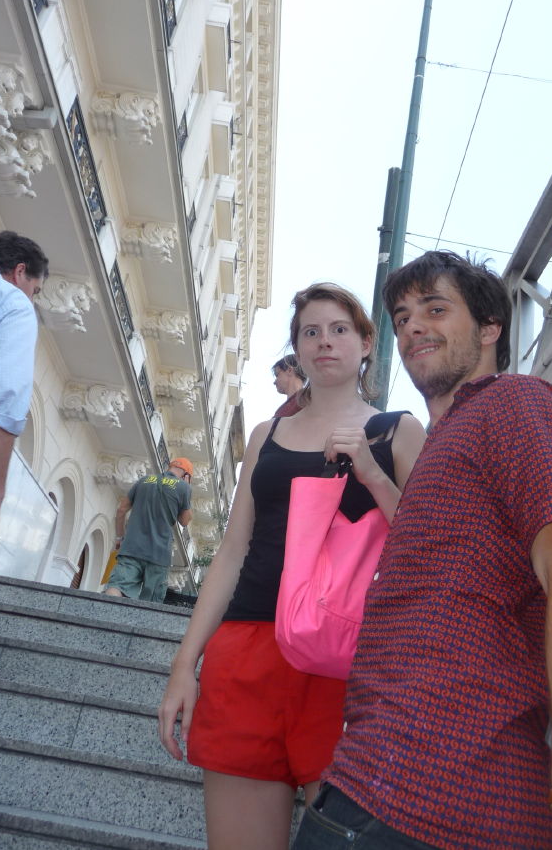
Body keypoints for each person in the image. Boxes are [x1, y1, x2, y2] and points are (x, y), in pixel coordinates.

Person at [294, 251, 552, 850]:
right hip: (371, 785)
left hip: (438, 803)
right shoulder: (444, 446)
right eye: (402, 317)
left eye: (435, 309)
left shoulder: (515, 402)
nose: (412, 327)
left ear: (489, 328)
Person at [158, 282, 426, 850]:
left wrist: (373, 475)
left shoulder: (399, 430)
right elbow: (233, 551)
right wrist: (185, 664)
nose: (324, 341)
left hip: (348, 661)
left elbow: (432, 547)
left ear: (366, 344)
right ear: (297, 348)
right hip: (246, 650)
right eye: (311, 332)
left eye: (339, 329)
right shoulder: (267, 434)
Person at [0, 231, 48, 561]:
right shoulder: (12, 302)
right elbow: (4, 397)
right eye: (35, 290)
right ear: (19, 271)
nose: (32, 298)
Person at [104, 458, 193, 602]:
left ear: (169, 467)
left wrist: (120, 538)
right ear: (186, 475)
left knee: (117, 586)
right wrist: (187, 488)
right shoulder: (184, 487)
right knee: (151, 601)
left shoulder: (144, 480)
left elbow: (121, 510)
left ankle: (104, 611)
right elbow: (185, 521)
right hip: (159, 554)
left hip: (132, 548)